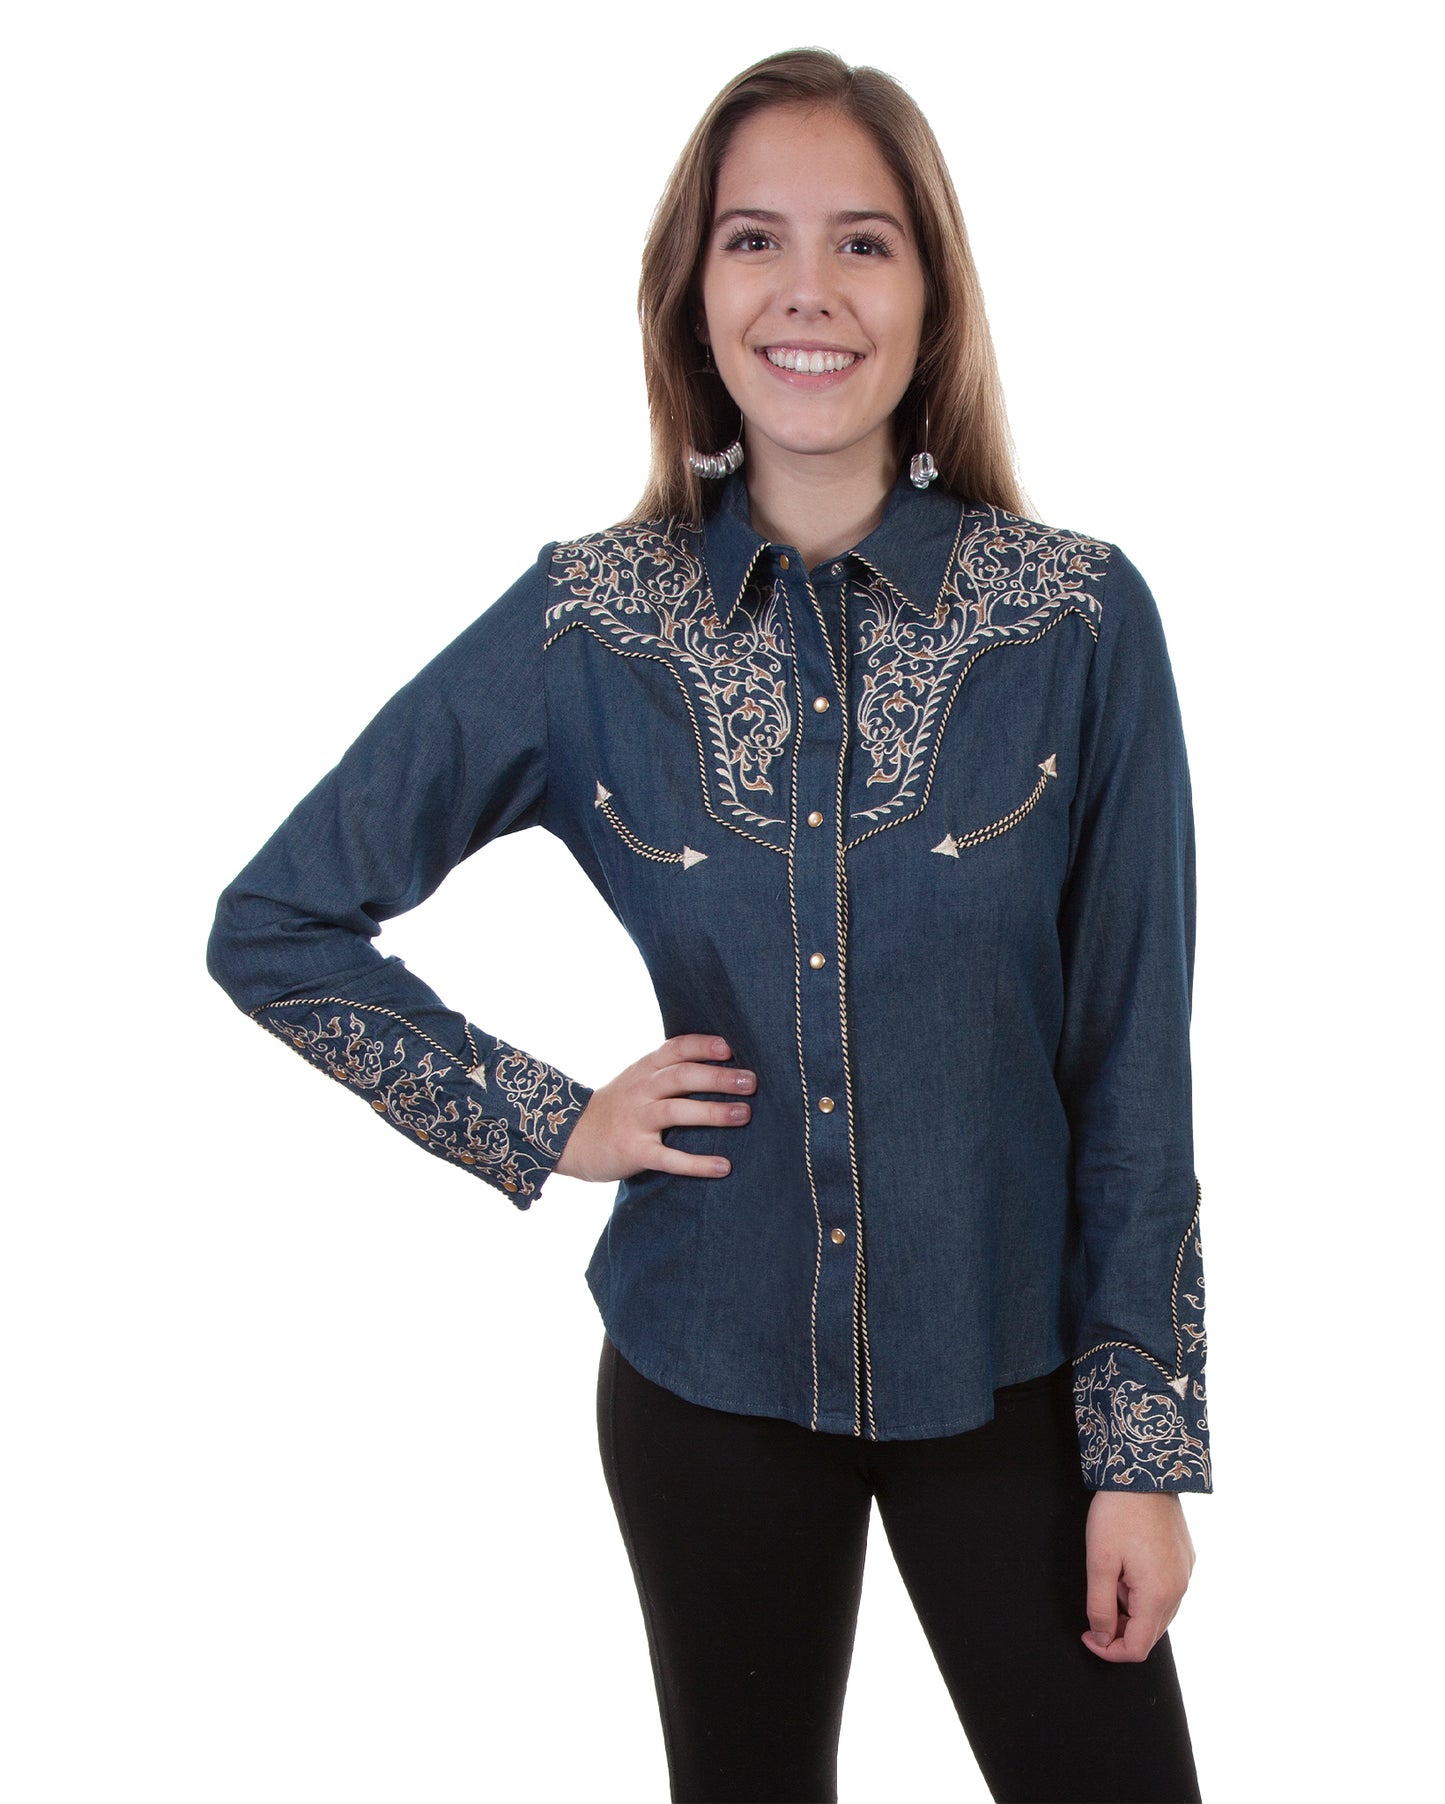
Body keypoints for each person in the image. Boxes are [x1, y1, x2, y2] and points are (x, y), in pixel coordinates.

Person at [206, 46, 1210, 1804]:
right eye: (754, 240)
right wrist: (550, 1119)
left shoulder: (1074, 619)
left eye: (861, 242)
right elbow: (277, 923)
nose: (805, 290)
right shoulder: (585, 623)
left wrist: (1141, 1452)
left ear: (931, 293)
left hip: (1014, 1378)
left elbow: (1131, 1063)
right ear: (693, 291)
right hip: (705, 1368)